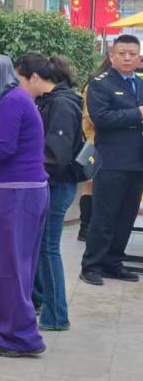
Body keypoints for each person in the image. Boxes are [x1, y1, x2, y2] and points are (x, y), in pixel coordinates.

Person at [0, 55, 48, 358]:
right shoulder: (15, 99)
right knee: (12, 263)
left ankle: (20, 337)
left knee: (11, 265)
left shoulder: (12, 101)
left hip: (19, 193)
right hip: (23, 191)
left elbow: (5, 148)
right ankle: (1, 323)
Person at [15, 54, 83, 332]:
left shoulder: (62, 104)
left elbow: (57, 155)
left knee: (48, 248)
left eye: (19, 80)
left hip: (57, 184)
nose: (18, 86)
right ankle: (40, 300)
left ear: (34, 78)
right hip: (49, 183)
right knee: (41, 246)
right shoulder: (48, 101)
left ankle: (57, 316)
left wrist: (27, 167)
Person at [80, 35, 143, 285]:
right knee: (104, 216)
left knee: (126, 216)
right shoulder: (100, 84)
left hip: (137, 161)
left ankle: (113, 262)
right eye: (122, 53)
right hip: (111, 160)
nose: (127, 58)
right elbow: (101, 118)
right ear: (112, 56)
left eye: (132, 54)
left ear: (139, 58)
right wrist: (137, 113)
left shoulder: (140, 83)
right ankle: (92, 265)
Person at [77, 58, 109, 241]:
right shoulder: (96, 84)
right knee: (91, 186)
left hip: (95, 141)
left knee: (91, 186)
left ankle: (88, 228)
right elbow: (91, 117)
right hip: (95, 142)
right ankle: (85, 228)